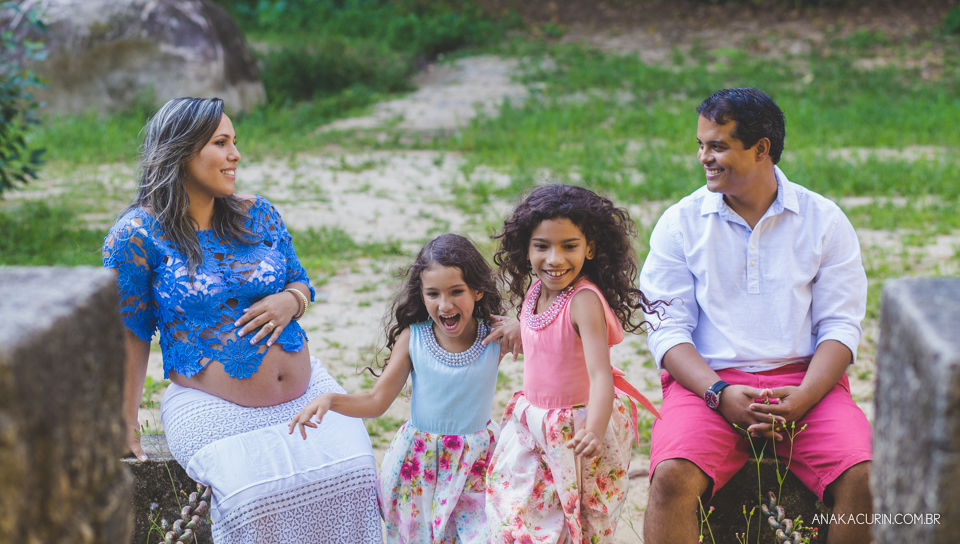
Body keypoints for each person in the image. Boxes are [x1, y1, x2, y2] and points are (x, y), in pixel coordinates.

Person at [102, 97, 382, 543]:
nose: (236, 155)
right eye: (221, 143)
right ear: (181, 151)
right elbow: (131, 332)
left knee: (356, 476)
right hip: (213, 409)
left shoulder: (259, 213)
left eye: (235, 142)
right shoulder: (137, 235)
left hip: (306, 394)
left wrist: (291, 301)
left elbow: (301, 281)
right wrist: (126, 418)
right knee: (256, 502)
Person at [640, 88, 873, 544]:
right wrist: (718, 392)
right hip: (708, 385)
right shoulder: (679, 223)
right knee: (671, 478)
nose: (704, 157)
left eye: (718, 146)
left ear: (761, 148)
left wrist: (805, 396)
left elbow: (840, 327)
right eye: (701, 145)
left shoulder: (823, 219)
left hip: (807, 385)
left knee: (865, 478)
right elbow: (667, 330)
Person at [289, 233, 503, 544]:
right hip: (418, 466)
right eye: (433, 294)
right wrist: (330, 400)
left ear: (478, 290)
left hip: (476, 463)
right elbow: (376, 401)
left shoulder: (495, 337)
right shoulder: (413, 338)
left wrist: (521, 327)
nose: (445, 304)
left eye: (457, 291)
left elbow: (554, 348)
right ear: (422, 295)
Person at [486, 184, 663, 543]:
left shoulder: (583, 301)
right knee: (519, 509)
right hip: (534, 421)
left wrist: (594, 430)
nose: (555, 259)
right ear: (526, 248)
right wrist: (518, 327)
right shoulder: (538, 289)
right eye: (542, 246)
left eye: (569, 246)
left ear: (590, 248)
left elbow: (600, 377)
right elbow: (551, 333)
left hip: (577, 426)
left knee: (575, 520)